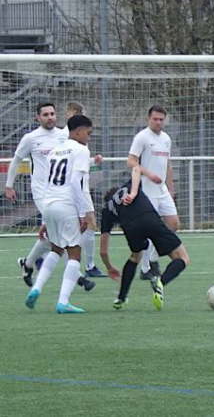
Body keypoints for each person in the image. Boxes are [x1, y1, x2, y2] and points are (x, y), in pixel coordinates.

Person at [4, 103, 96, 291]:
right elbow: (16, 161)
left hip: (59, 193)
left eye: (53, 113)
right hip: (41, 193)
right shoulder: (31, 138)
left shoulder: (63, 135)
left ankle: (28, 263)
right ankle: (78, 277)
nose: (50, 117)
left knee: (52, 236)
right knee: (58, 235)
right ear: (38, 117)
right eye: (45, 114)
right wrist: (8, 185)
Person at [24, 115, 97, 314]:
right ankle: (63, 302)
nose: (88, 138)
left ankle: (36, 288)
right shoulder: (81, 150)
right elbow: (76, 183)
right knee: (74, 253)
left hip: (49, 203)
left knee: (56, 249)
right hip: (66, 205)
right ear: (78, 131)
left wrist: (45, 219)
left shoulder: (55, 150)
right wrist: (84, 213)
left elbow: (47, 182)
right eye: (88, 133)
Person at [99, 165, 190, 311]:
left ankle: (121, 298)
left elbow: (103, 251)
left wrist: (109, 267)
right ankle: (161, 281)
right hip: (149, 218)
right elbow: (136, 168)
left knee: (135, 256)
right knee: (183, 258)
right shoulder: (128, 185)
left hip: (130, 228)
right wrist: (145, 180)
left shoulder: (106, 210)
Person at [128, 104, 179, 280]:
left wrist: (170, 187)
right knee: (151, 229)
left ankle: (153, 258)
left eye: (161, 120)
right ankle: (145, 268)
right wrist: (148, 173)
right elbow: (131, 161)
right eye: (155, 119)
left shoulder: (166, 138)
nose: (158, 122)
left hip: (162, 190)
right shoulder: (142, 137)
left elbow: (168, 164)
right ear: (148, 119)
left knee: (173, 224)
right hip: (146, 191)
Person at [60, 102, 107, 278]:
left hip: (79, 187)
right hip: (73, 188)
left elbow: (76, 163)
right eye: (74, 113)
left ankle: (86, 266)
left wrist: (93, 161)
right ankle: (84, 267)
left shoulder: (78, 137)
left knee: (85, 226)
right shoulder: (65, 136)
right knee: (78, 227)